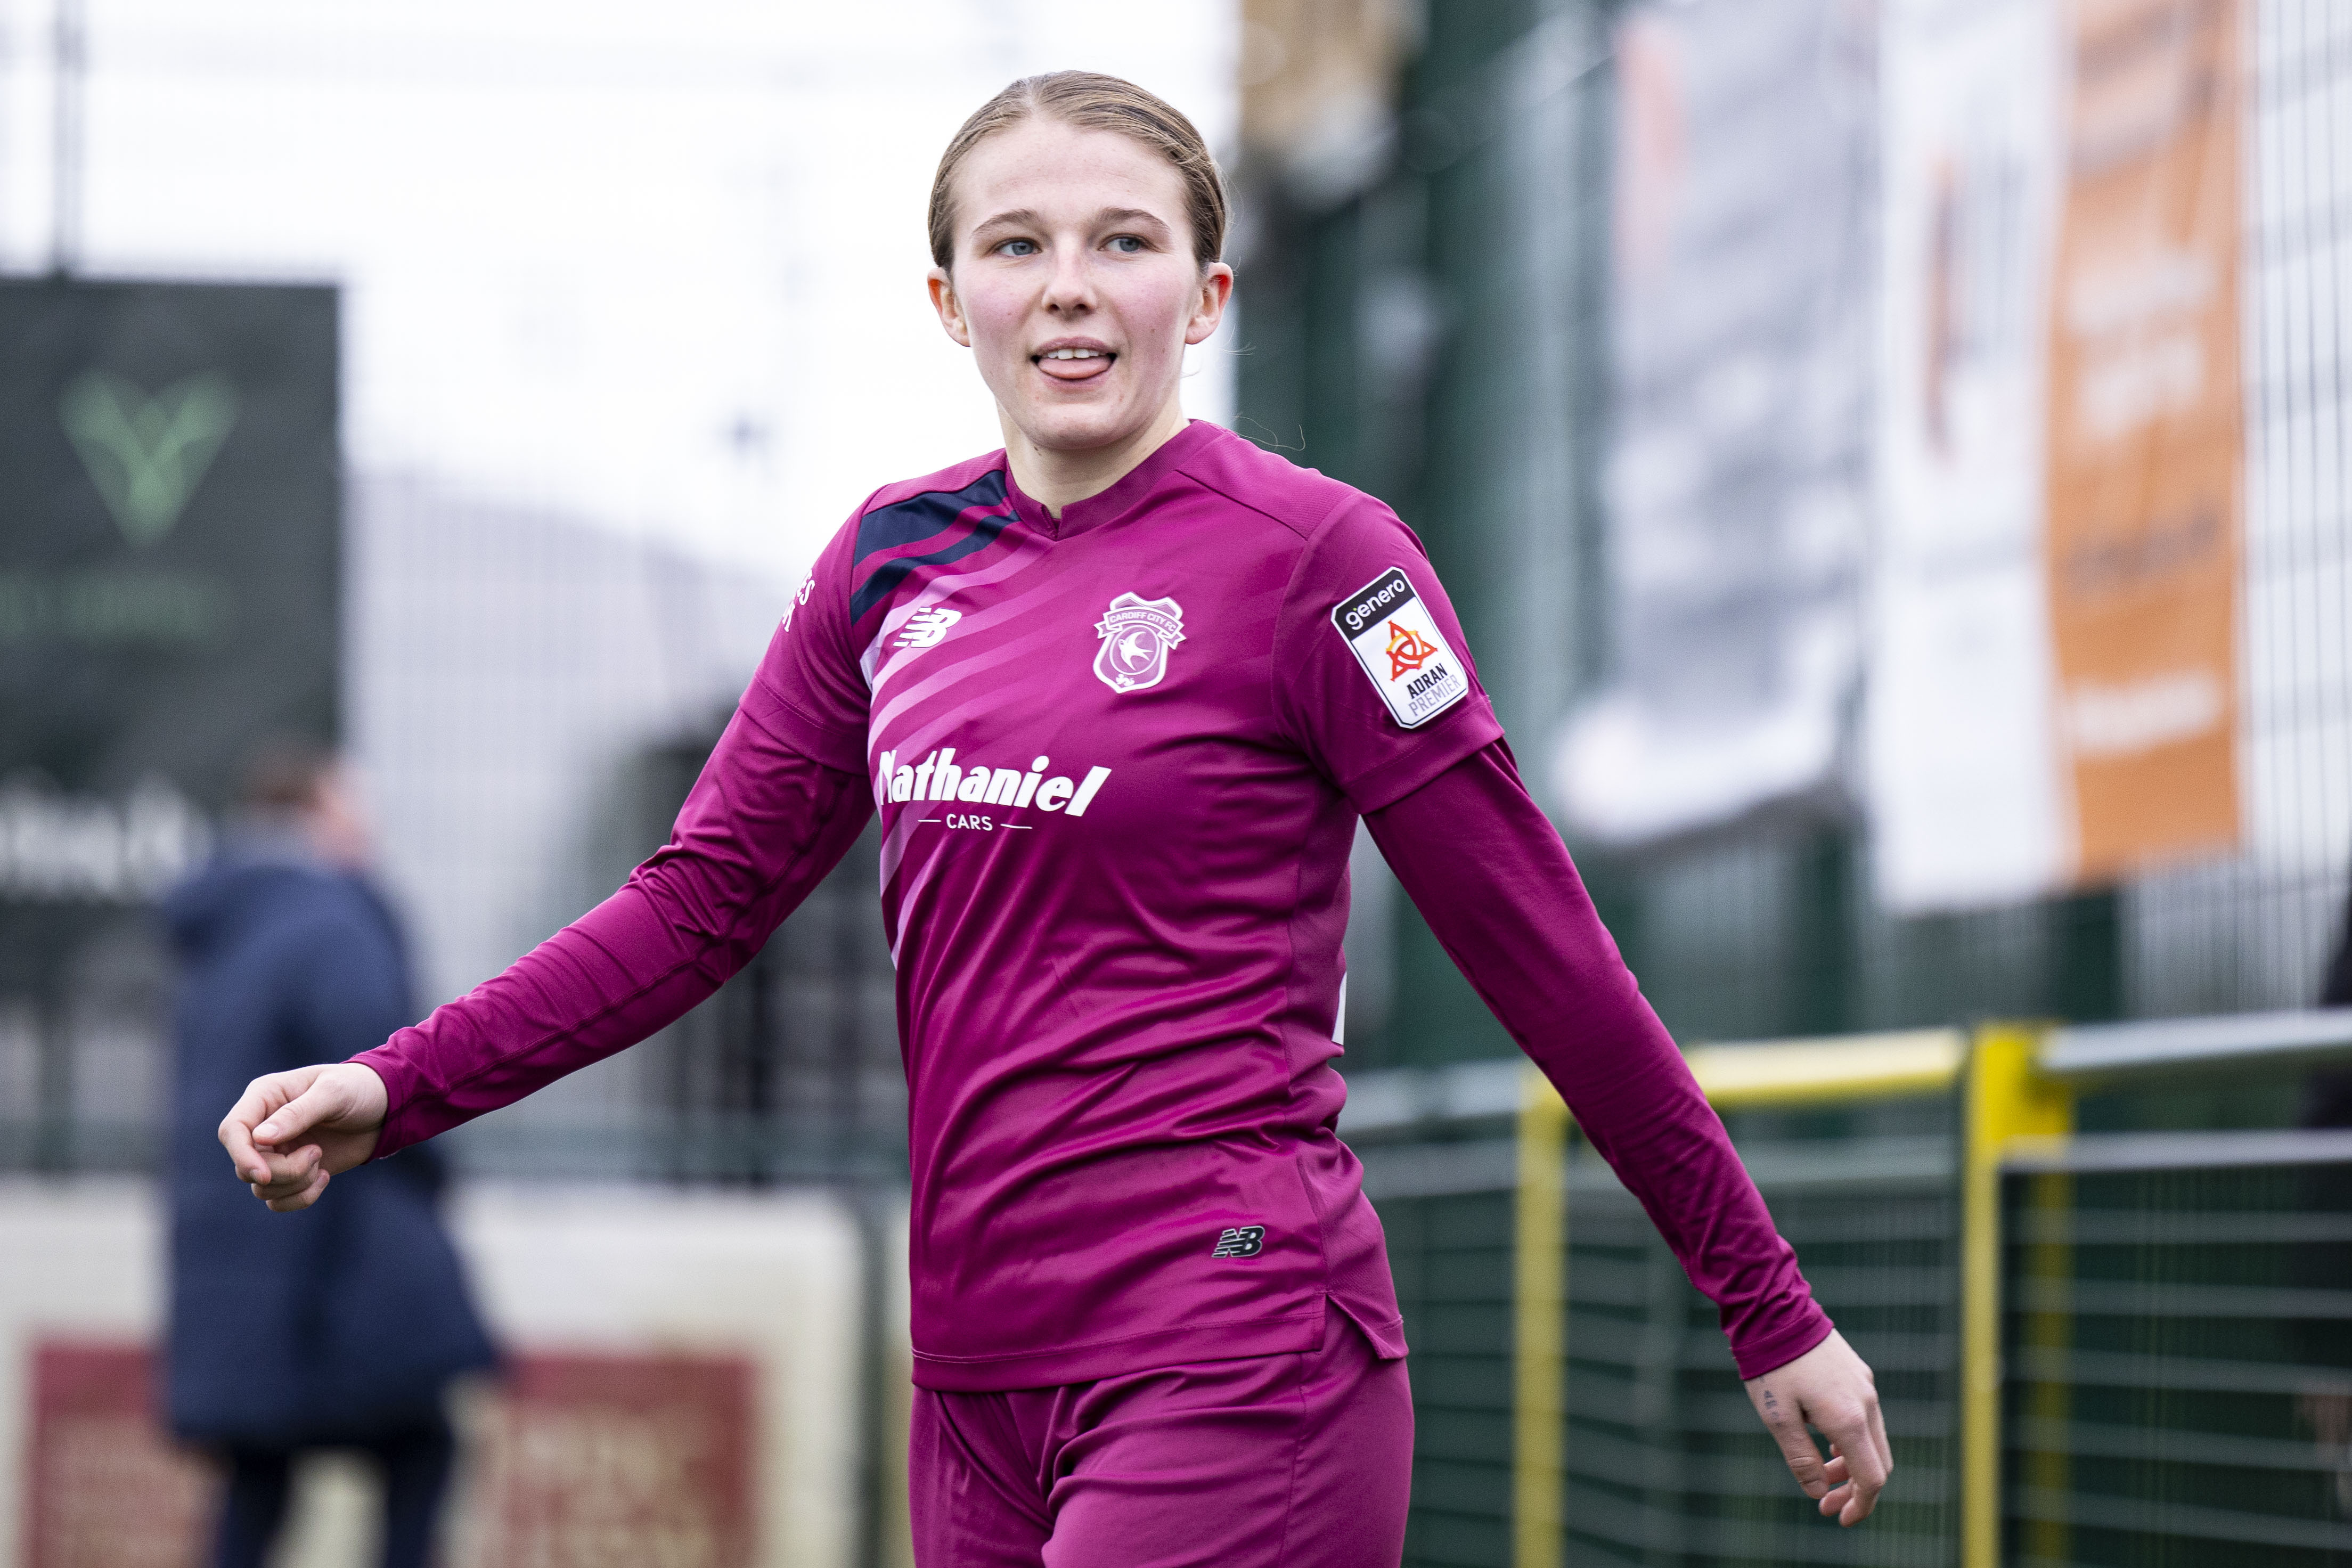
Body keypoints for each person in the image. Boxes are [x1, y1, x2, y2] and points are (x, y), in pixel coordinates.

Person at [217, 72, 1889, 1565]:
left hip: (1237, 1349)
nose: (1072, 288)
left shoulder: (1325, 563)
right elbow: (696, 905)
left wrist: (1771, 1307)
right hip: (978, 1389)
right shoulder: (889, 563)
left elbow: (1550, 959)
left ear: (1209, 294)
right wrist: (397, 1082)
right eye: (1017, 245)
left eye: (1125, 241)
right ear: (951, 302)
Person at [166, 742, 495, 1568]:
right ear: (312, 814)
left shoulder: (224, 934)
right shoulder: (334, 920)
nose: (369, 829)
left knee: (256, 1489)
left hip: (243, 1287)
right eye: (355, 806)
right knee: (422, 1456)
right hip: (341, 1273)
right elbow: (393, 1075)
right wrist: (439, 1172)